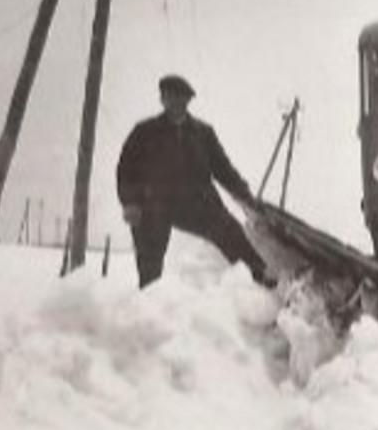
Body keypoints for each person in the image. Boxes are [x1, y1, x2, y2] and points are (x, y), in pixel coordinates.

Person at [116, 74, 274, 289]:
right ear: (162, 100)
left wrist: (245, 196)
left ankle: (262, 279)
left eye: (180, 99)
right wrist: (130, 203)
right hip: (153, 204)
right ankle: (149, 306)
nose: (175, 104)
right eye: (169, 98)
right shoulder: (144, 131)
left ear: (188, 101)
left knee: (230, 231)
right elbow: (126, 170)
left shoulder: (202, 133)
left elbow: (223, 169)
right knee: (149, 267)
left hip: (196, 203)